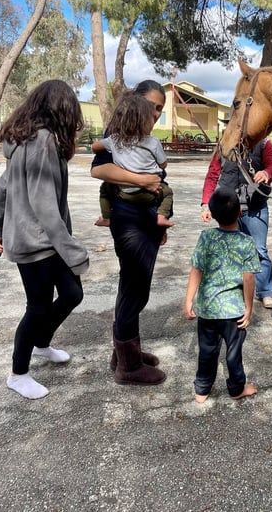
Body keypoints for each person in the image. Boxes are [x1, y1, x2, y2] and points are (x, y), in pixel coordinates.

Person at [0, 79, 89, 399]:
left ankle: (41, 343)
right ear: (61, 110)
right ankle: (18, 374)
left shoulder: (25, 140)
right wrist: (72, 250)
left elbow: (4, 188)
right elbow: (45, 205)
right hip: (36, 242)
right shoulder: (43, 142)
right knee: (37, 307)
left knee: (72, 293)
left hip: (40, 239)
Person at [90, 79, 167, 385]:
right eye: (152, 105)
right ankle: (129, 367)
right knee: (135, 289)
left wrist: (159, 220)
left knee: (133, 285)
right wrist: (143, 180)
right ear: (137, 102)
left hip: (146, 217)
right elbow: (98, 169)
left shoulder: (145, 134)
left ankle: (124, 352)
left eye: (161, 108)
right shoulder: (120, 130)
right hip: (130, 218)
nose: (157, 112)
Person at [184, 188, 259, 403]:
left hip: (208, 309)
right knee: (233, 353)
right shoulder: (246, 242)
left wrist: (189, 300)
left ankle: (202, 390)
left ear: (213, 215)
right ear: (240, 213)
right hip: (233, 311)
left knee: (206, 351)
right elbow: (249, 279)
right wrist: (249, 308)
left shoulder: (206, 237)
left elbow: (196, 269)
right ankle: (236, 389)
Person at [200, 137, 272, 308]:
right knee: (229, 250)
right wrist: (206, 205)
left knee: (259, 249)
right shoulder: (222, 148)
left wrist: (267, 173)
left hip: (255, 206)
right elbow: (212, 176)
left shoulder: (263, 144)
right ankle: (233, 290)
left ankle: (266, 291)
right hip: (228, 206)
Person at [92, 91, 174, 228]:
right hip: (149, 193)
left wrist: (99, 146)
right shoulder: (153, 142)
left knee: (105, 189)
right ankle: (161, 217)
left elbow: (95, 147)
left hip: (124, 192)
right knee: (167, 193)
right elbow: (163, 164)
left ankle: (106, 218)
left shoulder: (114, 139)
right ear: (144, 121)